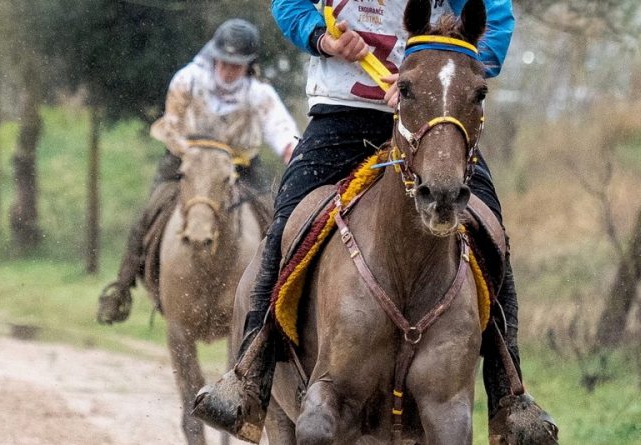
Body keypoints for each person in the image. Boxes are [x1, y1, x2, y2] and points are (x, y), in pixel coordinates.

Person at [196, 0, 558, 442]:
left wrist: (429, 75)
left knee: (490, 228)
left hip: (433, 117)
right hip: (342, 111)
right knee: (288, 217)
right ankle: (251, 371)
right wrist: (322, 37)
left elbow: (493, 18)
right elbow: (290, 4)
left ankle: (508, 393)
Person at [96, 18, 300, 325]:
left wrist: (292, 152)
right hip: (185, 160)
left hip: (240, 166)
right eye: (224, 61)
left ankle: (278, 307)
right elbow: (172, 123)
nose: (228, 69)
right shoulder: (187, 79)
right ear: (214, 56)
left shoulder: (259, 93)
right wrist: (196, 156)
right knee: (150, 213)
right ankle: (122, 289)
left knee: (275, 221)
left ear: (248, 65)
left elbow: (280, 129)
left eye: (236, 64)